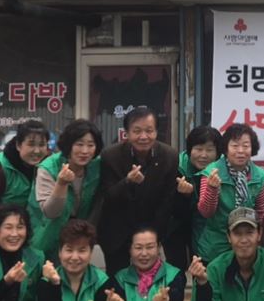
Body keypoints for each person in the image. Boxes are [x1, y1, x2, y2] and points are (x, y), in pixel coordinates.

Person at [97, 106, 179, 276]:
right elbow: (108, 197)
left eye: (149, 131)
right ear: (127, 133)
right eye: (137, 131)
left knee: (150, 280)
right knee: (117, 282)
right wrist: (127, 181)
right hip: (118, 231)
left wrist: (154, 236)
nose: (143, 136)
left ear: (156, 132)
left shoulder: (169, 156)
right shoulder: (110, 156)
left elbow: (167, 201)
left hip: (152, 229)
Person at [28, 119, 104, 260]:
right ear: (69, 145)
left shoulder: (96, 165)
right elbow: (51, 212)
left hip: (78, 237)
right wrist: (61, 184)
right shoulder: (48, 168)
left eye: (91, 145)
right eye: (79, 144)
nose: (85, 151)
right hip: (46, 235)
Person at [197, 123, 264, 263]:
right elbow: (205, 212)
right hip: (215, 245)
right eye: (235, 146)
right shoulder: (211, 172)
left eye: (246, 146)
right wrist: (212, 189)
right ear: (226, 148)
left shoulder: (259, 175)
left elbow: (259, 212)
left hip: (245, 244)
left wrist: (252, 238)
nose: (240, 151)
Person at [0, 120, 49, 243]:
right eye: (31, 144)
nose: (37, 151)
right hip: (5, 236)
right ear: (18, 145)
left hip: (38, 236)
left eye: (42, 145)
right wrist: (2, 234)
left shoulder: (50, 166)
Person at [163, 125, 222, 270]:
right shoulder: (176, 166)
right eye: (198, 149)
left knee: (204, 267)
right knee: (177, 268)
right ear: (189, 149)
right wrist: (183, 196)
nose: (203, 155)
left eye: (209, 150)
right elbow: (168, 208)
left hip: (208, 226)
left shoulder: (222, 170)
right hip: (176, 226)